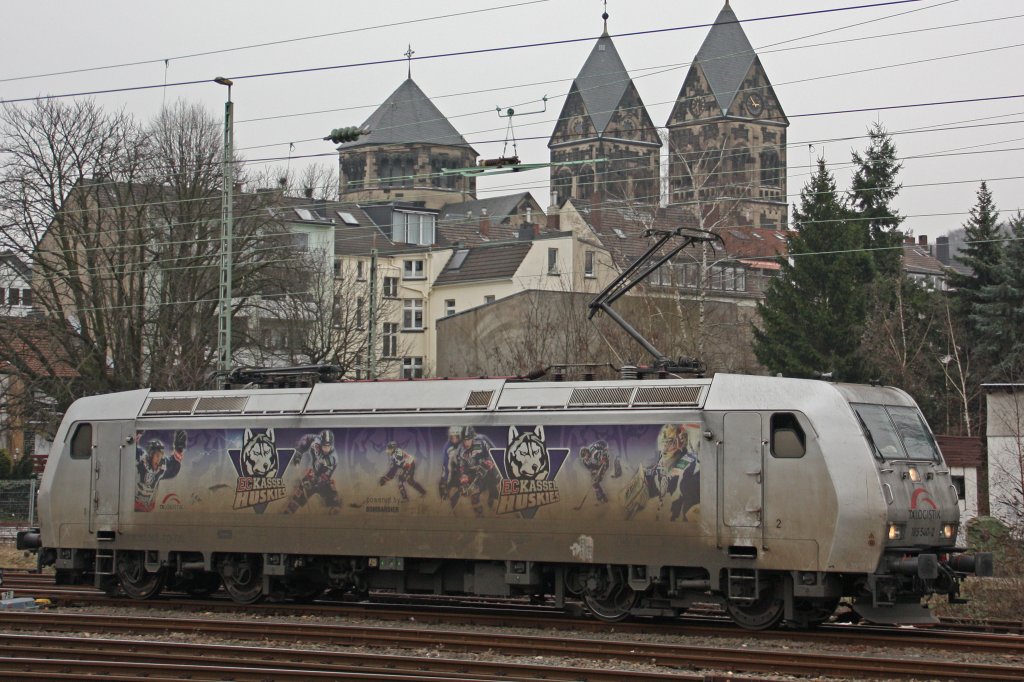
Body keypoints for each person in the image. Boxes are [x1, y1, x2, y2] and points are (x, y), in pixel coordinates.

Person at [285, 430, 341, 514]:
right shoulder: (315, 441)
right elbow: (303, 442)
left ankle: (334, 510)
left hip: (324, 479)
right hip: (313, 474)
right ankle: (290, 510)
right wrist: (298, 456)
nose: (326, 448)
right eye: (324, 446)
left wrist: (316, 480)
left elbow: (324, 471)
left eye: (328, 446)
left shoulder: (333, 457)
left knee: (333, 496)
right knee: (300, 492)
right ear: (321, 442)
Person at [135, 430, 186, 512]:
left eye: (161, 455)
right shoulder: (141, 458)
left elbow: (174, 468)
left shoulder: (162, 465)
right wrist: (137, 434)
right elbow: (132, 449)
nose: (159, 459)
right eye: (157, 455)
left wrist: (179, 449)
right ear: (150, 454)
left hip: (147, 509)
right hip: (134, 506)